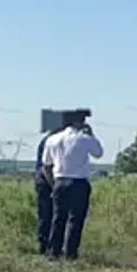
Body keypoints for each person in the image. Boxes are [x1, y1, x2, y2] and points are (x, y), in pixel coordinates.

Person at [42, 109, 104, 260]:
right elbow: (98, 152)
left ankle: (53, 252)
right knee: (76, 220)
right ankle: (71, 253)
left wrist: (53, 184)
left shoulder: (53, 139)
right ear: (79, 122)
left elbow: (46, 165)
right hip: (78, 182)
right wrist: (91, 134)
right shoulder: (83, 138)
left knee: (58, 218)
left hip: (60, 181)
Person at [33, 113, 69, 255]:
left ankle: (46, 245)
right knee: (51, 213)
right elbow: (46, 166)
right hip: (48, 179)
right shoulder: (53, 141)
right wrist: (54, 186)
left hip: (44, 179)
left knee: (46, 213)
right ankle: (49, 246)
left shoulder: (48, 139)